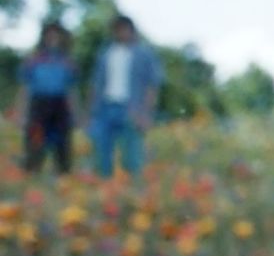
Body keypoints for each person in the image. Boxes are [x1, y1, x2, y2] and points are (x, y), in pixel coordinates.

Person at [87, 14, 163, 179]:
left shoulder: (144, 54)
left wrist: (146, 113)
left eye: (124, 29)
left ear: (131, 30)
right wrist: (91, 111)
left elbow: (152, 85)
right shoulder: (106, 54)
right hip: (105, 107)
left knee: (132, 154)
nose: (120, 33)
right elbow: (96, 84)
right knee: (101, 150)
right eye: (117, 29)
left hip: (131, 108)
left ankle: (133, 191)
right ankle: (104, 187)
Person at [12, 21, 80, 174]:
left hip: (60, 106)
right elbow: (25, 88)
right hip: (39, 105)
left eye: (56, 35)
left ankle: (64, 176)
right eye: (49, 35)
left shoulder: (67, 62)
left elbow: (72, 90)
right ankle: (32, 172)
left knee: (62, 145)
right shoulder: (33, 60)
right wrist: (20, 112)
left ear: (62, 38)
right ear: (43, 37)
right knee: (35, 142)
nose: (53, 38)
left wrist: (76, 114)